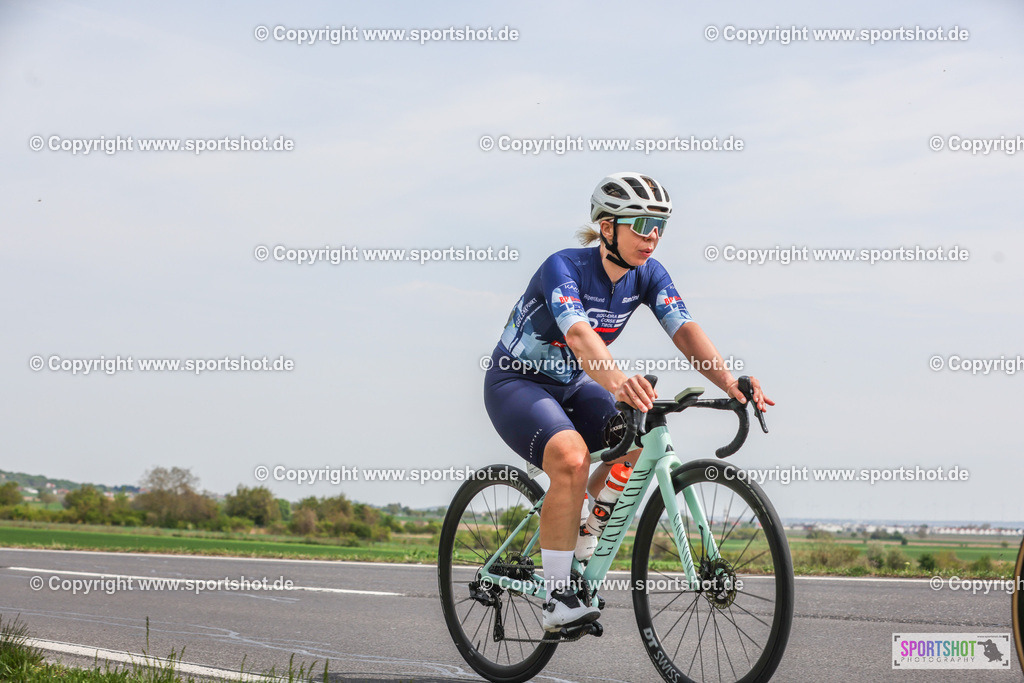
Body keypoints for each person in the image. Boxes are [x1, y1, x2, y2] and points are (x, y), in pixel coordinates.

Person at [483, 172, 773, 632]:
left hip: (575, 385)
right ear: (607, 227)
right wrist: (618, 382)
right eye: (639, 222)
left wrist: (729, 382)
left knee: (639, 443)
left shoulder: (648, 275)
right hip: (517, 384)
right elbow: (579, 334)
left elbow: (685, 330)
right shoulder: (563, 267)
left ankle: (583, 527)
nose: (651, 235)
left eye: (659, 225)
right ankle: (557, 599)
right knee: (571, 457)